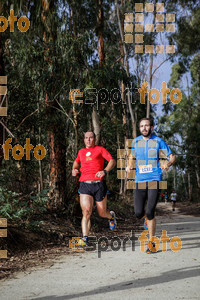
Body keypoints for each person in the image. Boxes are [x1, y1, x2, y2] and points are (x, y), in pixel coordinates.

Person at [126, 118, 176, 254]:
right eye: (141, 126)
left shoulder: (158, 141)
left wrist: (167, 164)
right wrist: (129, 165)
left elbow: (172, 157)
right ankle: (147, 221)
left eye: (146, 125)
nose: (144, 128)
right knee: (138, 213)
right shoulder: (136, 141)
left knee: (150, 212)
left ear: (152, 127)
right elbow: (132, 156)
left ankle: (152, 242)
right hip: (140, 180)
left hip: (154, 179)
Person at [72, 131, 116, 247]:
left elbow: (112, 161)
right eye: (86, 138)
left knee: (102, 213)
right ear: (84, 139)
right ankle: (85, 238)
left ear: (95, 139)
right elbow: (76, 163)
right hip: (85, 184)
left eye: (91, 138)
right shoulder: (81, 152)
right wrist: (74, 170)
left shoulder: (100, 149)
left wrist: (105, 171)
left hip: (98, 184)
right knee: (86, 212)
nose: (88, 140)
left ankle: (111, 216)